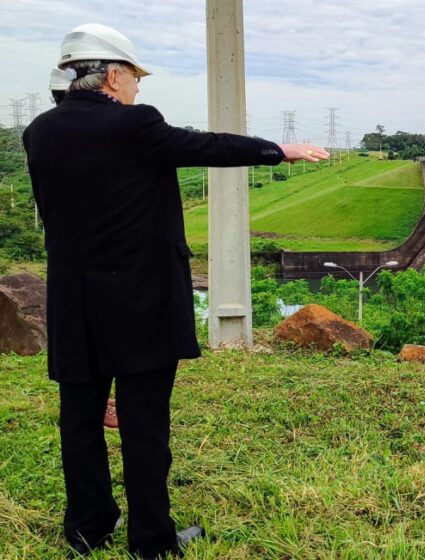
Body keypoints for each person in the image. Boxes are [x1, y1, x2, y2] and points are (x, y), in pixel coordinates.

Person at [23, 23, 328, 559]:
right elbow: (204, 145)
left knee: (79, 417)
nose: (138, 88)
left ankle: (86, 529)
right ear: (113, 76)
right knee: (143, 422)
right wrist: (279, 150)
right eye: (135, 78)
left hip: (73, 302)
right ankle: (151, 540)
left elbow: (51, 213)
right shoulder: (134, 124)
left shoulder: (40, 132)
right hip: (140, 302)